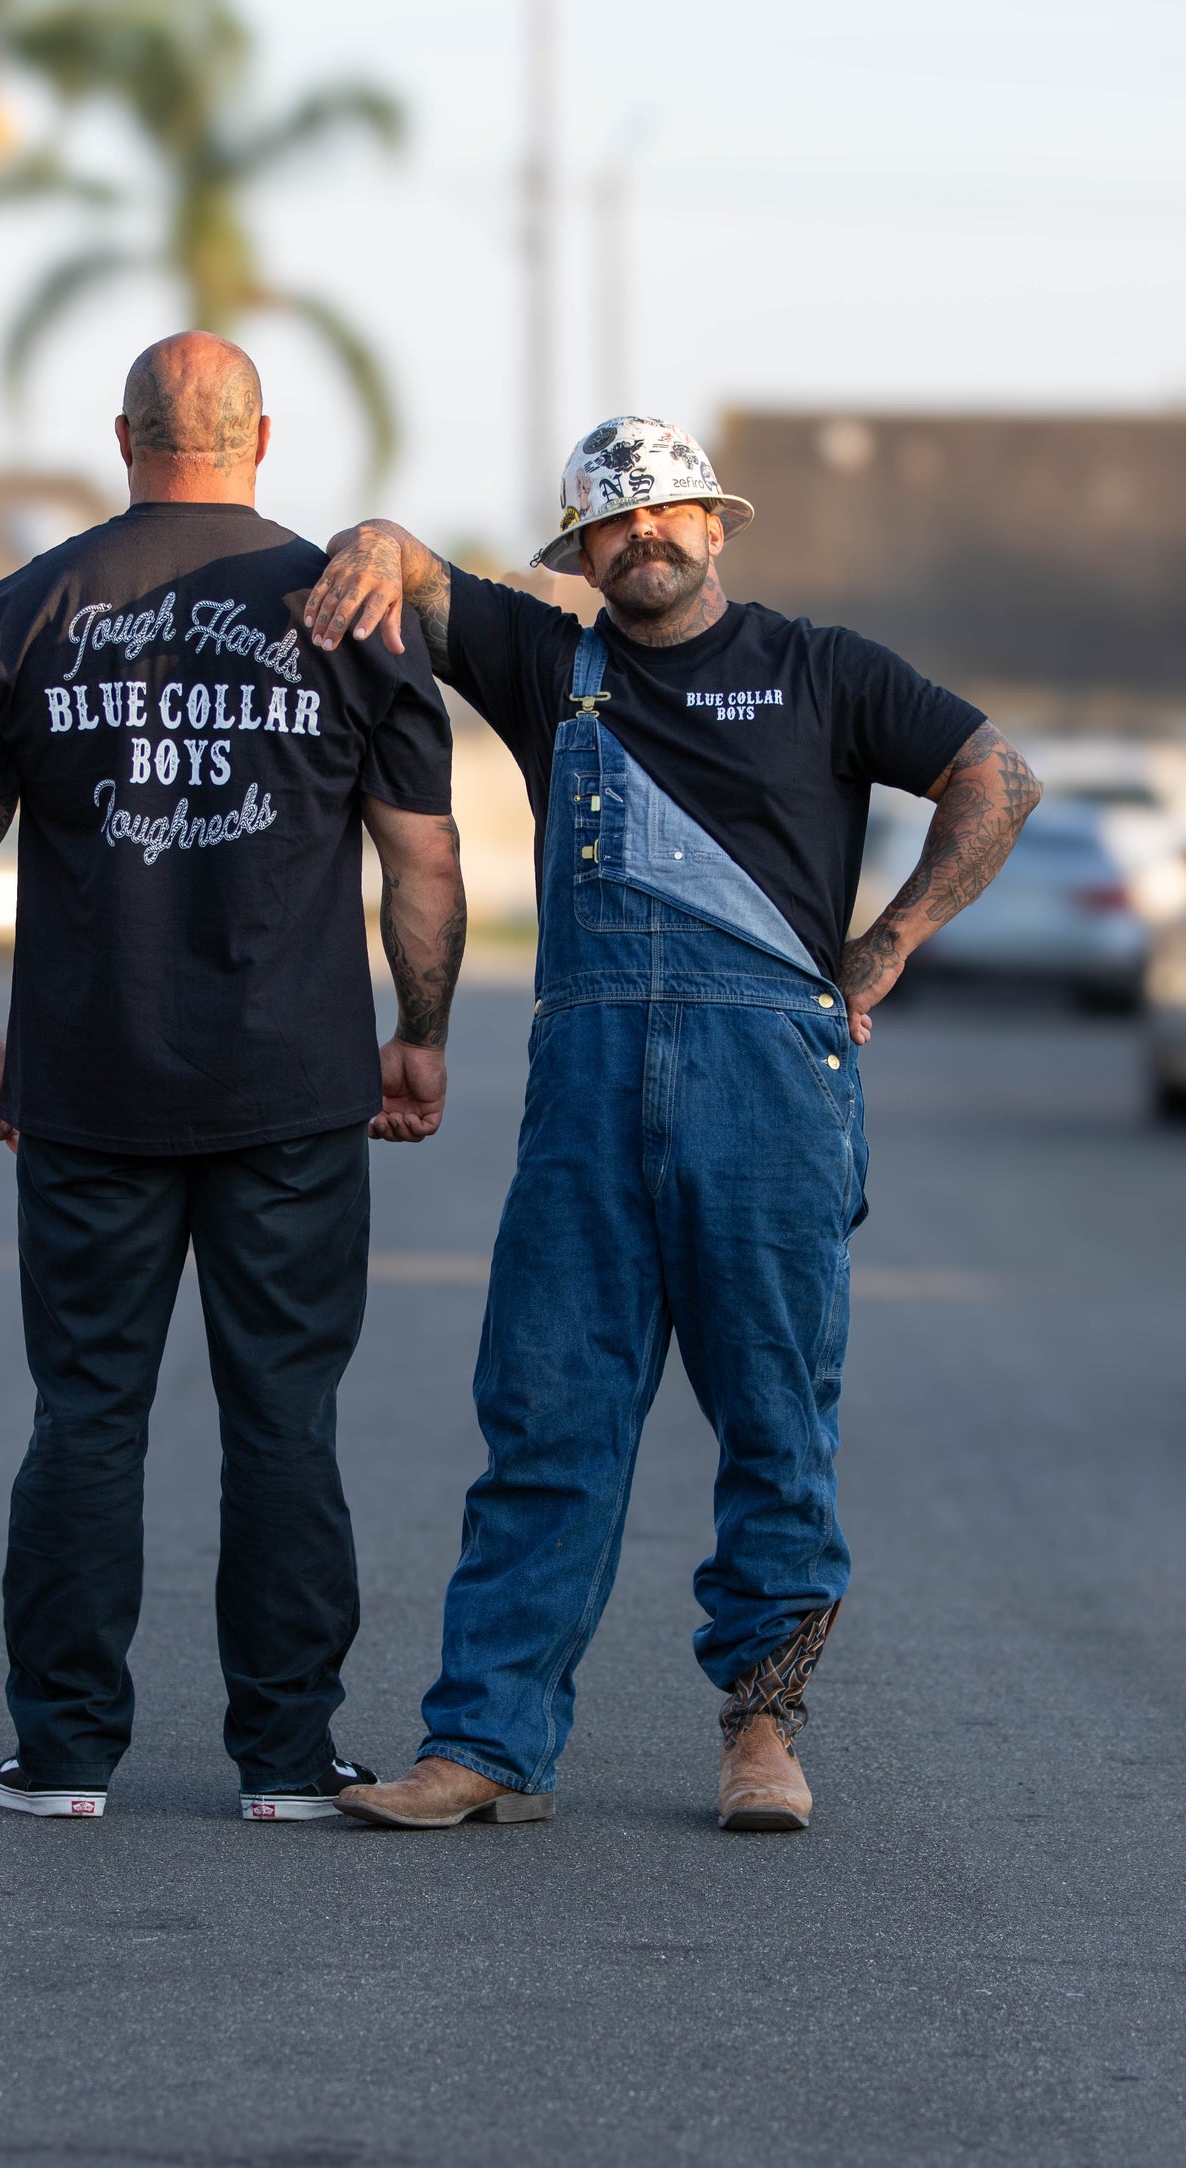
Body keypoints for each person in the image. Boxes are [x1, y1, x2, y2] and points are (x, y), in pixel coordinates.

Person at [303, 414, 1040, 1832]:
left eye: (669, 513)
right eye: (613, 521)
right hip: (585, 1096)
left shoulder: (820, 669)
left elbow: (994, 780)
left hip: (768, 1087)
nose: (645, 537)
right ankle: (484, 1748)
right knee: (544, 1418)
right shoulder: (542, 663)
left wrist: (881, 952)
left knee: (773, 1422)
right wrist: (369, 545)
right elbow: (409, 567)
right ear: (580, 551)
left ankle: (760, 1733)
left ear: (716, 526)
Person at [0, 332, 464, 1822]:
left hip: (89, 1078)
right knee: (283, 1416)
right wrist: (420, 1032)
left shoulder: (19, 608)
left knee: (86, 1411)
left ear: (122, 435)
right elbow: (420, 854)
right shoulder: (349, 612)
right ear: (261, 437)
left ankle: (66, 1755)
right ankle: (285, 1760)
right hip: (292, 1083)